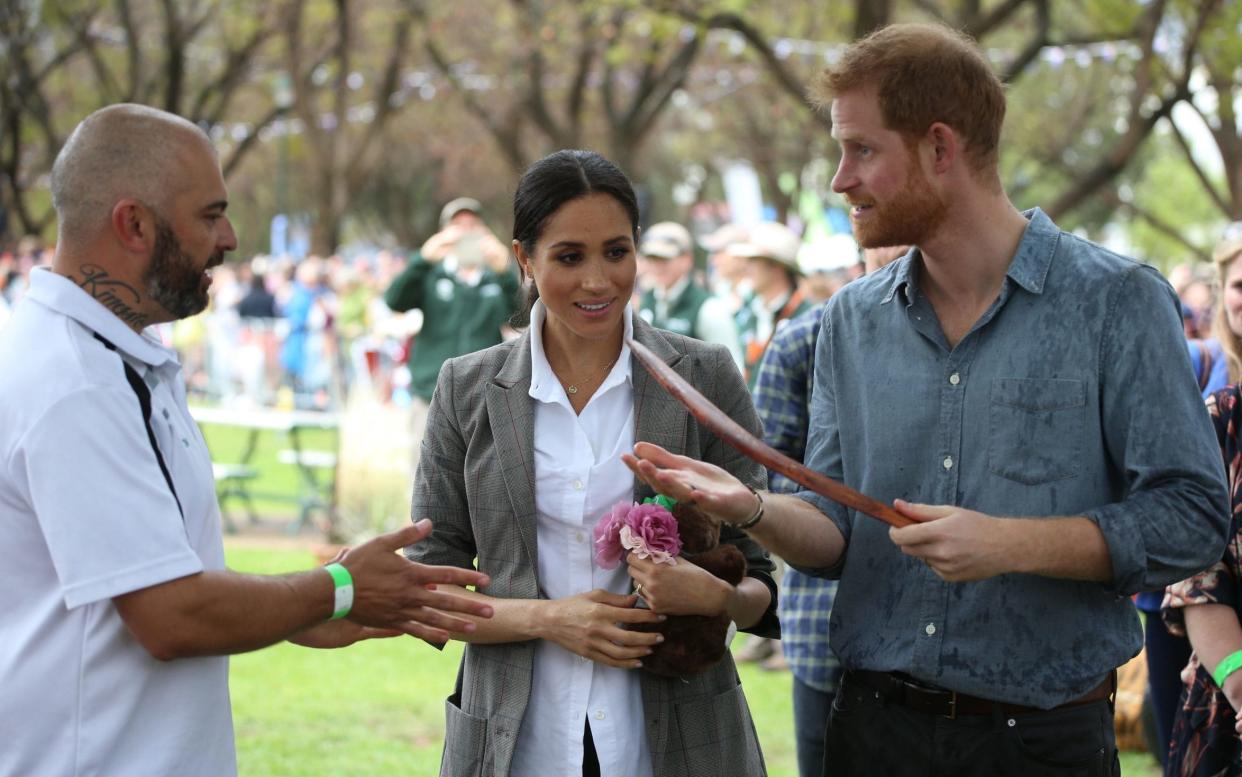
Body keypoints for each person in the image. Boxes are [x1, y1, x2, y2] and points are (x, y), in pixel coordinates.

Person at [624, 23, 1228, 776]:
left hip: (1044, 742)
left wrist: (1011, 543)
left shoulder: (1118, 303)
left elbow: (1195, 518)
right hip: (870, 729)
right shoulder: (849, 320)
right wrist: (751, 506)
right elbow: (838, 534)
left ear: (941, 148)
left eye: (863, 149)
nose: (840, 179)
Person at [0, 104, 495, 777]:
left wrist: (317, 602)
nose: (230, 237)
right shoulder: (74, 380)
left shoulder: (117, 357)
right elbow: (169, 615)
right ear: (134, 223)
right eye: (210, 215)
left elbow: (171, 575)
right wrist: (338, 588)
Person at [406, 149, 779, 777]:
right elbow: (432, 591)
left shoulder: (703, 376)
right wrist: (551, 620)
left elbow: (762, 586)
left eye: (617, 251)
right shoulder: (466, 389)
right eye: (569, 256)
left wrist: (712, 594)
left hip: (678, 738)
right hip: (517, 740)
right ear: (524, 258)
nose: (598, 280)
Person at [384, 196, 521, 404]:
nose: (465, 231)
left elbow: (520, 318)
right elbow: (395, 301)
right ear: (443, 232)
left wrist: (505, 272)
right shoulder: (431, 273)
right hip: (432, 392)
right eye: (457, 225)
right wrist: (422, 259)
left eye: (473, 225)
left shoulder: (495, 278)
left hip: (481, 397)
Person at [637, 220, 743, 367]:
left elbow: (733, 371)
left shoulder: (710, 308)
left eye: (664, 258)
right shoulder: (647, 301)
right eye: (652, 258)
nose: (657, 266)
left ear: (686, 259)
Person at [733, 221, 813, 388]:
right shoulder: (747, 313)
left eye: (754, 260)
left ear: (777, 267)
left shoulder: (807, 316)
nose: (746, 267)